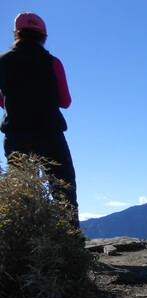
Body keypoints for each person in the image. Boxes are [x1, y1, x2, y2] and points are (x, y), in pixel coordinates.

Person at [0, 13, 78, 224]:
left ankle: (23, 251)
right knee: (64, 191)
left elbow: (2, 100)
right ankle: (71, 250)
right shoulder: (52, 63)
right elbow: (65, 101)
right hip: (49, 135)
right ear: (43, 36)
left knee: (22, 195)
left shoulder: (2, 62)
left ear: (16, 33)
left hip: (16, 137)